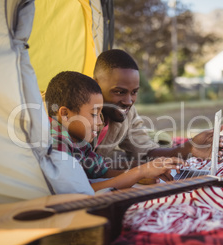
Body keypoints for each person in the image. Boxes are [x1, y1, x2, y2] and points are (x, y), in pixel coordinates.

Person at [45, 71, 184, 191]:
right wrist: (139, 173)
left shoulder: (77, 141)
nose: (100, 122)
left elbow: (101, 172)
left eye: (100, 114)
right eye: (94, 114)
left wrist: (143, 172)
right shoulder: (56, 142)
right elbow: (81, 191)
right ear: (64, 114)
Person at [93, 49, 223, 165]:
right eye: (119, 92)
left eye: (134, 92)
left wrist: (189, 148)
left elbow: (145, 152)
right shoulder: (78, 113)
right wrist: (137, 171)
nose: (129, 101)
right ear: (95, 84)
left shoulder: (127, 113)